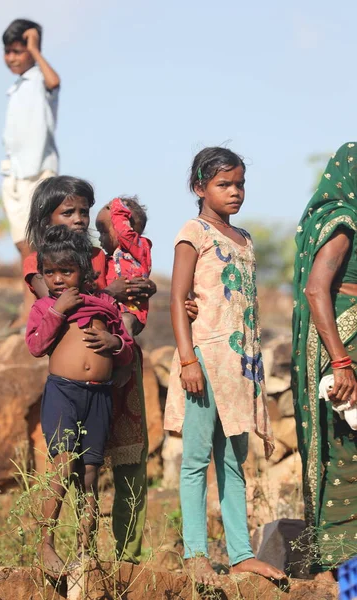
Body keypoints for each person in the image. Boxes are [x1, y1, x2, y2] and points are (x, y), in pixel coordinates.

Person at [165, 146, 285, 586]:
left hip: (240, 368)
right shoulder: (192, 232)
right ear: (200, 188)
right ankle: (195, 553)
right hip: (203, 362)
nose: (235, 192)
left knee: (234, 460)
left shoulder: (245, 239)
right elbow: (178, 299)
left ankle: (240, 554)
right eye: (224, 184)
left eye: (240, 184)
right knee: (196, 459)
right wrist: (187, 359)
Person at [24, 176, 156, 565]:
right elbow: (56, 301)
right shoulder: (43, 262)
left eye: (84, 211)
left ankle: (121, 557)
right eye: (69, 212)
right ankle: (47, 544)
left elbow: (127, 304)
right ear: (46, 218)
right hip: (70, 386)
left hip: (115, 373)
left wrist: (136, 295)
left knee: (110, 467)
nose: (80, 219)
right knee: (67, 464)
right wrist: (111, 294)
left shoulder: (102, 257)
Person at [292, 142, 357, 581]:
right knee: (346, 453)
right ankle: (345, 572)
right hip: (344, 346)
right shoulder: (343, 222)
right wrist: (341, 361)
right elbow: (318, 289)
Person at [2, 18, 60, 327]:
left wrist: (36, 50)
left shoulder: (40, 78)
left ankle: (33, 312)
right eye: (8, 52)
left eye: (17, 51)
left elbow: (54, 81)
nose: (11, 58)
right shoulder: (15, 87)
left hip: (38, 172)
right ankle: (28, 308)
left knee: (35, 243)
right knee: (21, 244)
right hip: (14, 175)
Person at [96, 196, 152, 337]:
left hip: (132, 311)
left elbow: (123, 233)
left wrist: (117, 206)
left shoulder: (139, 248)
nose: (99, 238)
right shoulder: (105, 259)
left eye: (103, 232)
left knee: (125, 322)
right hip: (112, 310)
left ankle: (126, 354)